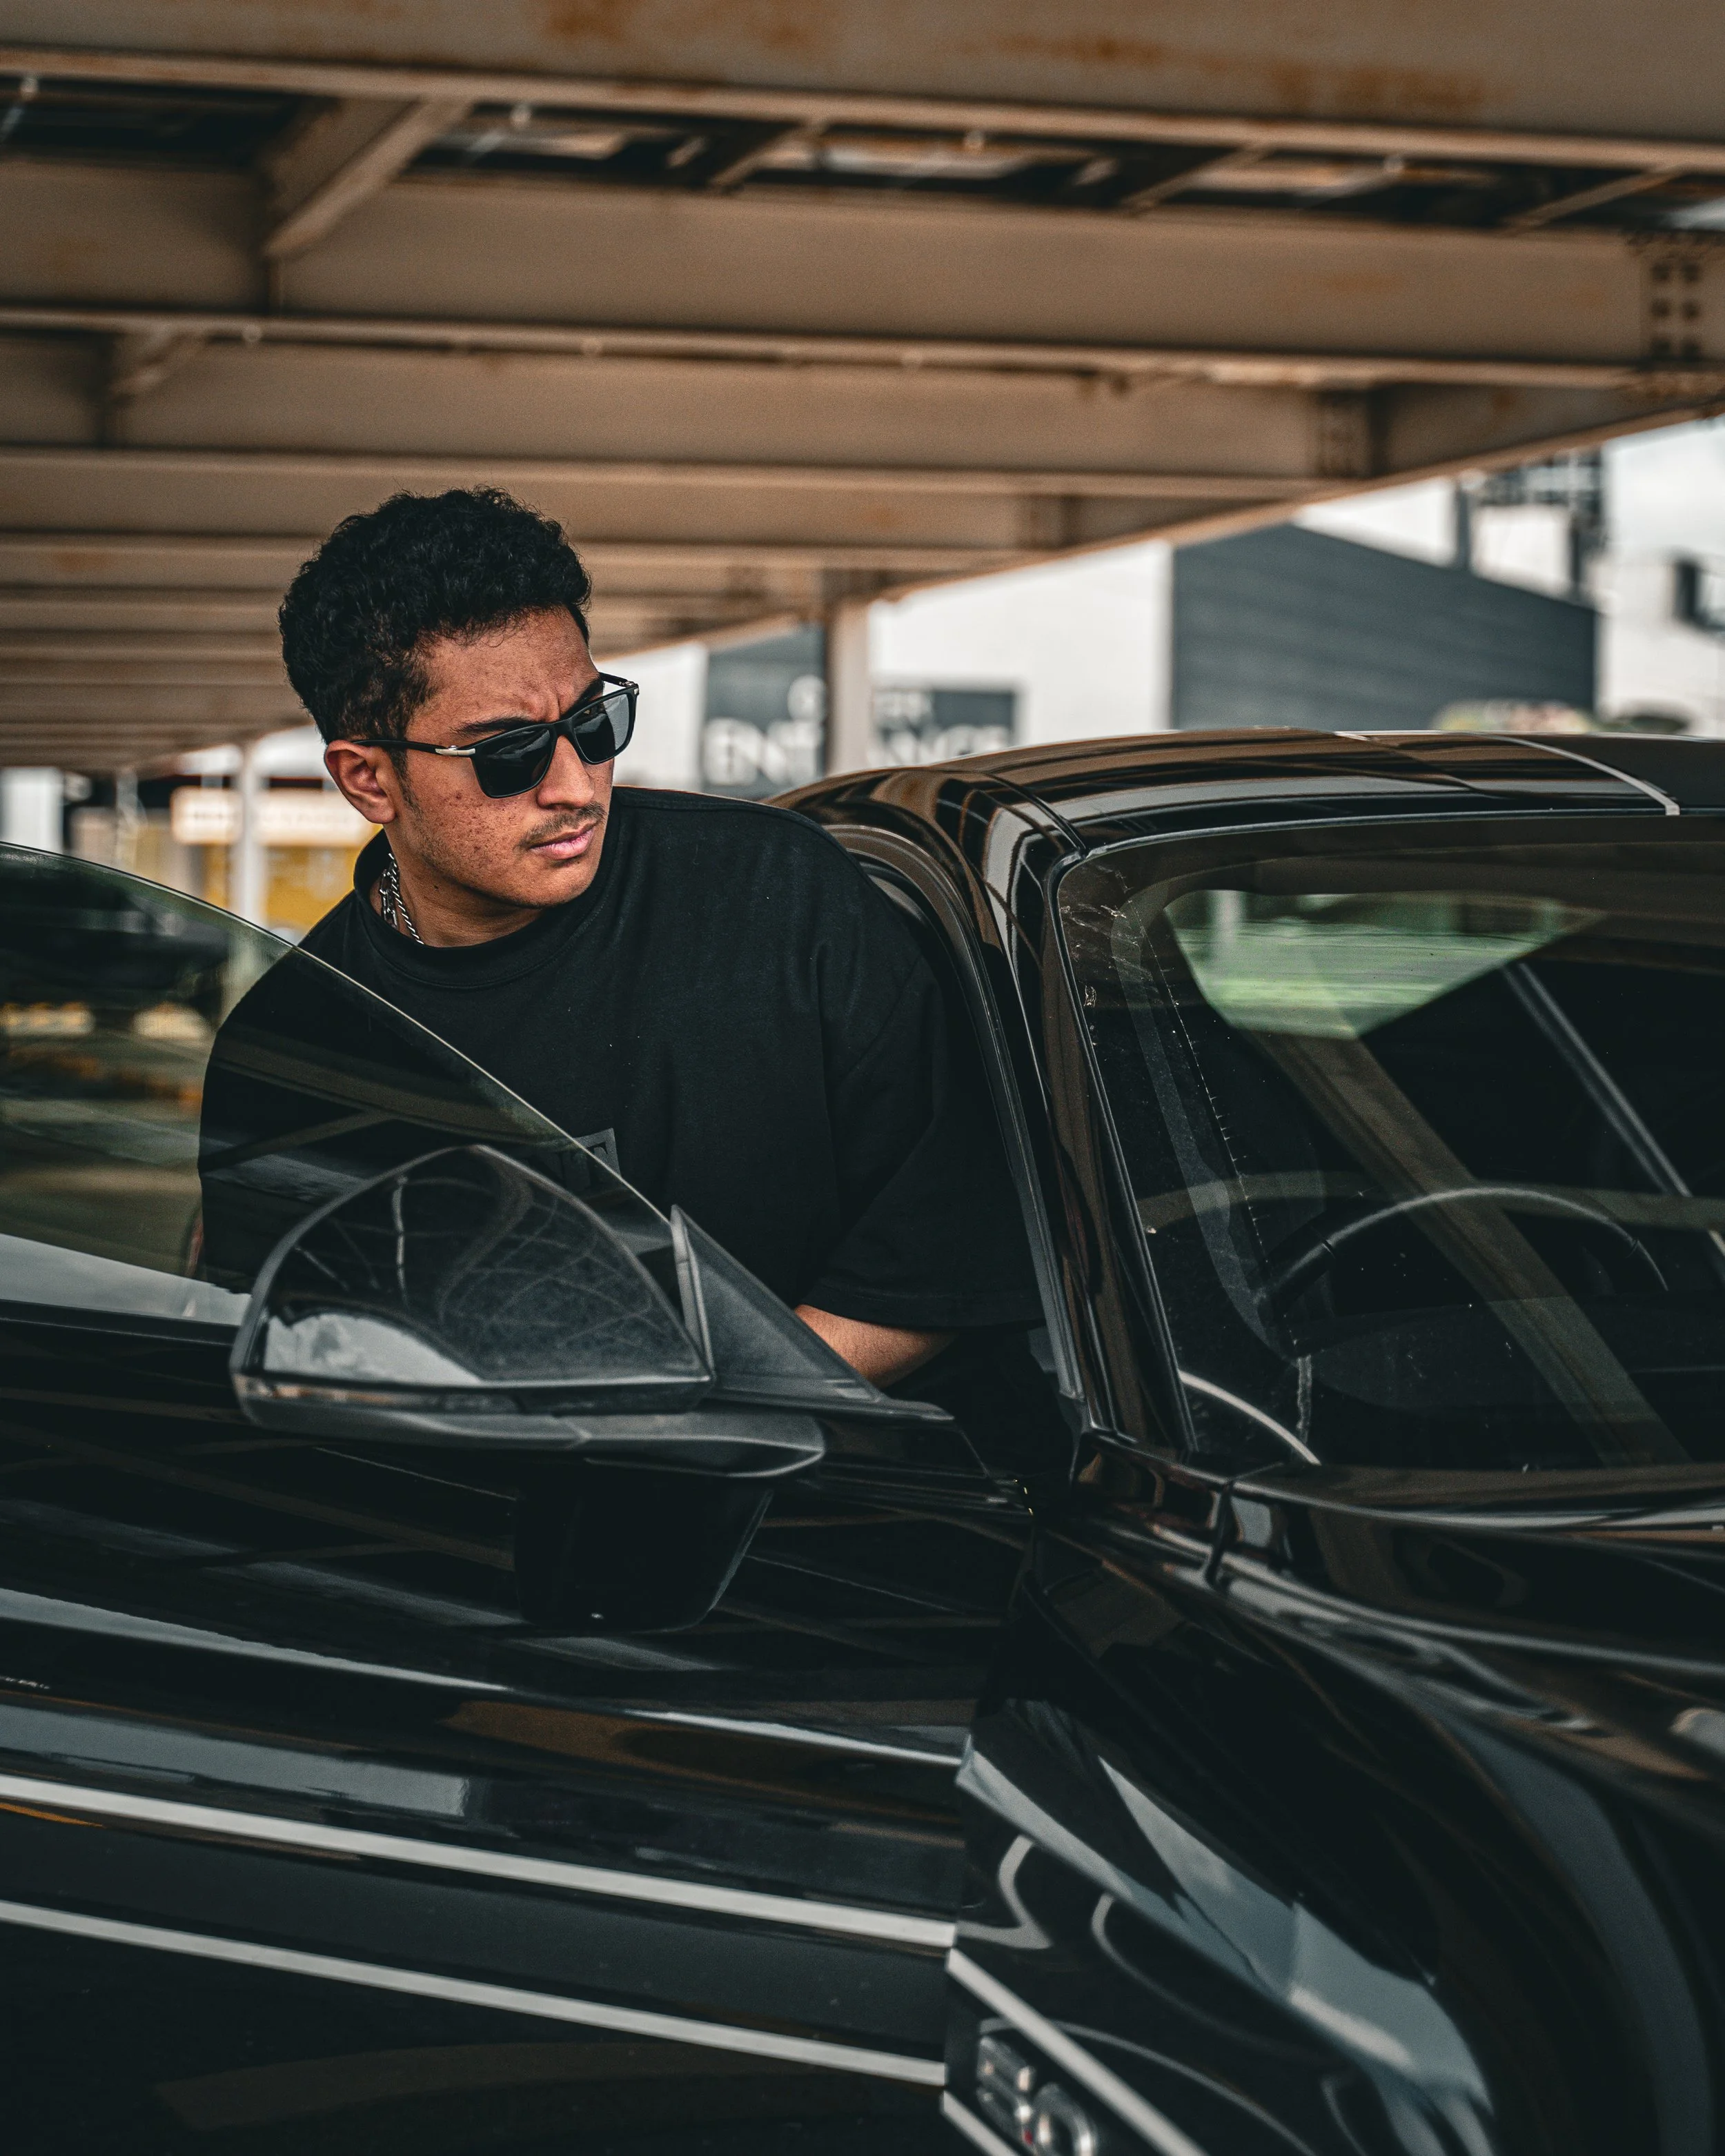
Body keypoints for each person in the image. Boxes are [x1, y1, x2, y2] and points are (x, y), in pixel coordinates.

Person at [257, 486, 1034, 1385]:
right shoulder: (298, 1040)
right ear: (368, 781)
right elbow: (307, 1355)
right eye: (508, 753)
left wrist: (707, 1434)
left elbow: (944, 1251)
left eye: (595, 724)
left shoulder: (779, 897)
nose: (577, 786)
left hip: (839, 1506)